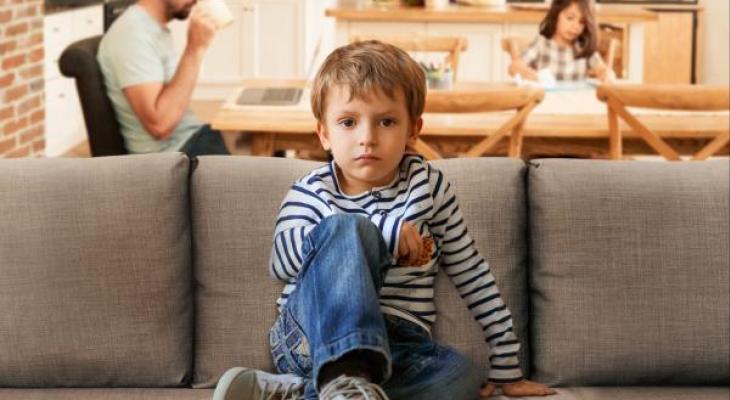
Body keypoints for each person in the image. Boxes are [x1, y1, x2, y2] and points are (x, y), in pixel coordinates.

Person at [213, 40, 556, 400]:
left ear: (413, 128)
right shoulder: (312, 191)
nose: (367, 138)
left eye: (387, 122)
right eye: (348, 122)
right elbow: (281, 262)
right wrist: (383, 233)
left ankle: (303, 393)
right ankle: (340, 377)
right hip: (310, 337)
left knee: (463, 376)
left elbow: (472, 272)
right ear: (324, 133)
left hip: (401, 347)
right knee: (347, 228)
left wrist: (507, 365)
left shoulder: (429, 186)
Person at [97, 0, 230, 157]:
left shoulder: (152, 28)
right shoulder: (132, 34)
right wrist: (195, 49)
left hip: (190, 138)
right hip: (173, 156)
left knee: (258, 138)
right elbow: (160, 125)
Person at [508, 0, 614, 82]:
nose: (576, 26)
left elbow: (603, 69)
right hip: (546, 106)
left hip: (578, 107)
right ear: (556, 15)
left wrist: (606, 73)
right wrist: (524, 72)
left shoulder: (584, 48)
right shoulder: (541, 44)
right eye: (570, 18)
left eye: (582, 22)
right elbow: (514, 67)